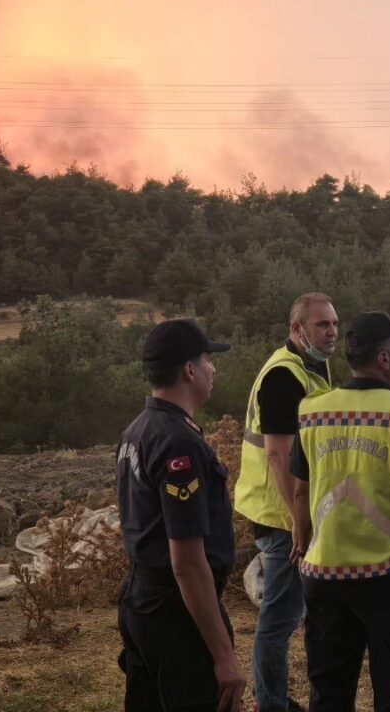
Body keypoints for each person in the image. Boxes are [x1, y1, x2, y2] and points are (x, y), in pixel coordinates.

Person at [289, 311, 390, 712]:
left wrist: (302, 540)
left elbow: (299, 489)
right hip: (389, 574)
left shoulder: (312, 411)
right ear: (382, 359)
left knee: (328, 689)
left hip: (325, 573)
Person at [115, 318, 247, 712]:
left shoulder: (137, 431)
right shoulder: (179, 444)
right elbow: (187, 563)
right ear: (189, 370)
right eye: (208, 360)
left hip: (141, 600)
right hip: (176, 614)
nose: (214, 368)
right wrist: (223, 655)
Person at [233, 293, 338, 712]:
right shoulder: (284, 376)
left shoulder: (310, 367)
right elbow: (278, 454)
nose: (331, 333)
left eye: (334, 324)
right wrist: (299, 521)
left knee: (289, 613)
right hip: (281, 518)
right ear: (297, 330)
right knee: (279, 619)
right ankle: (270, 703)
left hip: (290, 512)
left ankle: (272, 698)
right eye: (321, 326)